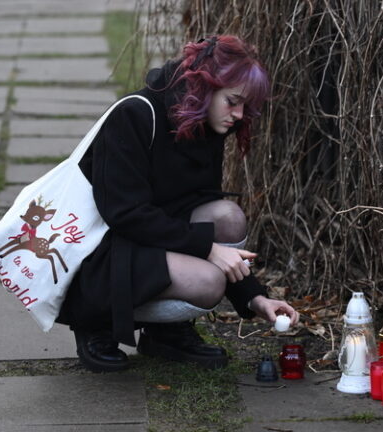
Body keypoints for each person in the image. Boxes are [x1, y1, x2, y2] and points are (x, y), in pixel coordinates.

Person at [56, 35, 299, 371]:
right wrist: (209, 250)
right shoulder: (133, 115)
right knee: (208, 281)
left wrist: (255, 298)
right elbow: (124, 214)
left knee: (227, 216)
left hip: (150, 240)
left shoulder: (206, 126)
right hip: (104, 251)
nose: (239, 115)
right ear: (205, 87)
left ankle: (165, 334)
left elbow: (198, 206)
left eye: (245, 106)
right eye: (233, 101)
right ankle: (98, 321)